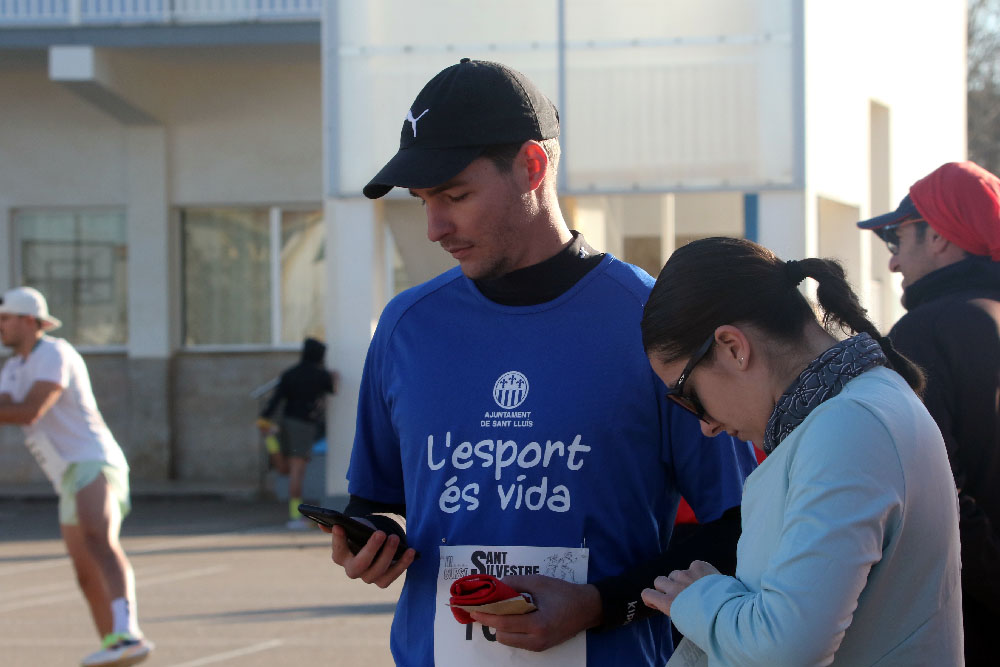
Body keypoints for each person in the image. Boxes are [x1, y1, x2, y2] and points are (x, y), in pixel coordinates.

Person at [325, 58, 758, 666]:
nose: (434, 227)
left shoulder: (652, 323)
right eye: (423, 200)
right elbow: (374, 502)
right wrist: (371, 542)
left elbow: (740, 527)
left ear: (532, 166)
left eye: (455, 195)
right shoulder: (406, 327)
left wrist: (601, 603)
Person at [639, 237, 963, 665]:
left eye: (687, 394)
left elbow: (787, 647)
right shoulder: (859, 405)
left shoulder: (848, 427)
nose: (706, 425)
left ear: (733, 347)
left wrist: (702, 598)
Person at [855, 160, 1000, 665]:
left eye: (896, 239)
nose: (892, 263)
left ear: (938, 235)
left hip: (968, 623)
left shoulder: (925, 331)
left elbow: (937, 494)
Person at [0, 286, 153, 667]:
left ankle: (130, 631)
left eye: (5, 318)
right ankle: (115, 647)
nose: (0, 326)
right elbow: (4, 407)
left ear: (30, 321)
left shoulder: (55, 353)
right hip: (65, 475)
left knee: (99, 541)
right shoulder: (12, 368)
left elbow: (29, 411)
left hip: (95, 462)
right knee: (85, 574)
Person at [258, 337, 337, 530]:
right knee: (296, 472)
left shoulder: (290, 373)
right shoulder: (320, 375)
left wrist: (265, 418)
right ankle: (295, 517)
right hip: (304, 426)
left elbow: (277, 398)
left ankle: (272, 442)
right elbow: (332, 390)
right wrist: (333, 377)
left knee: (285, 469)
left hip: (286, 422)